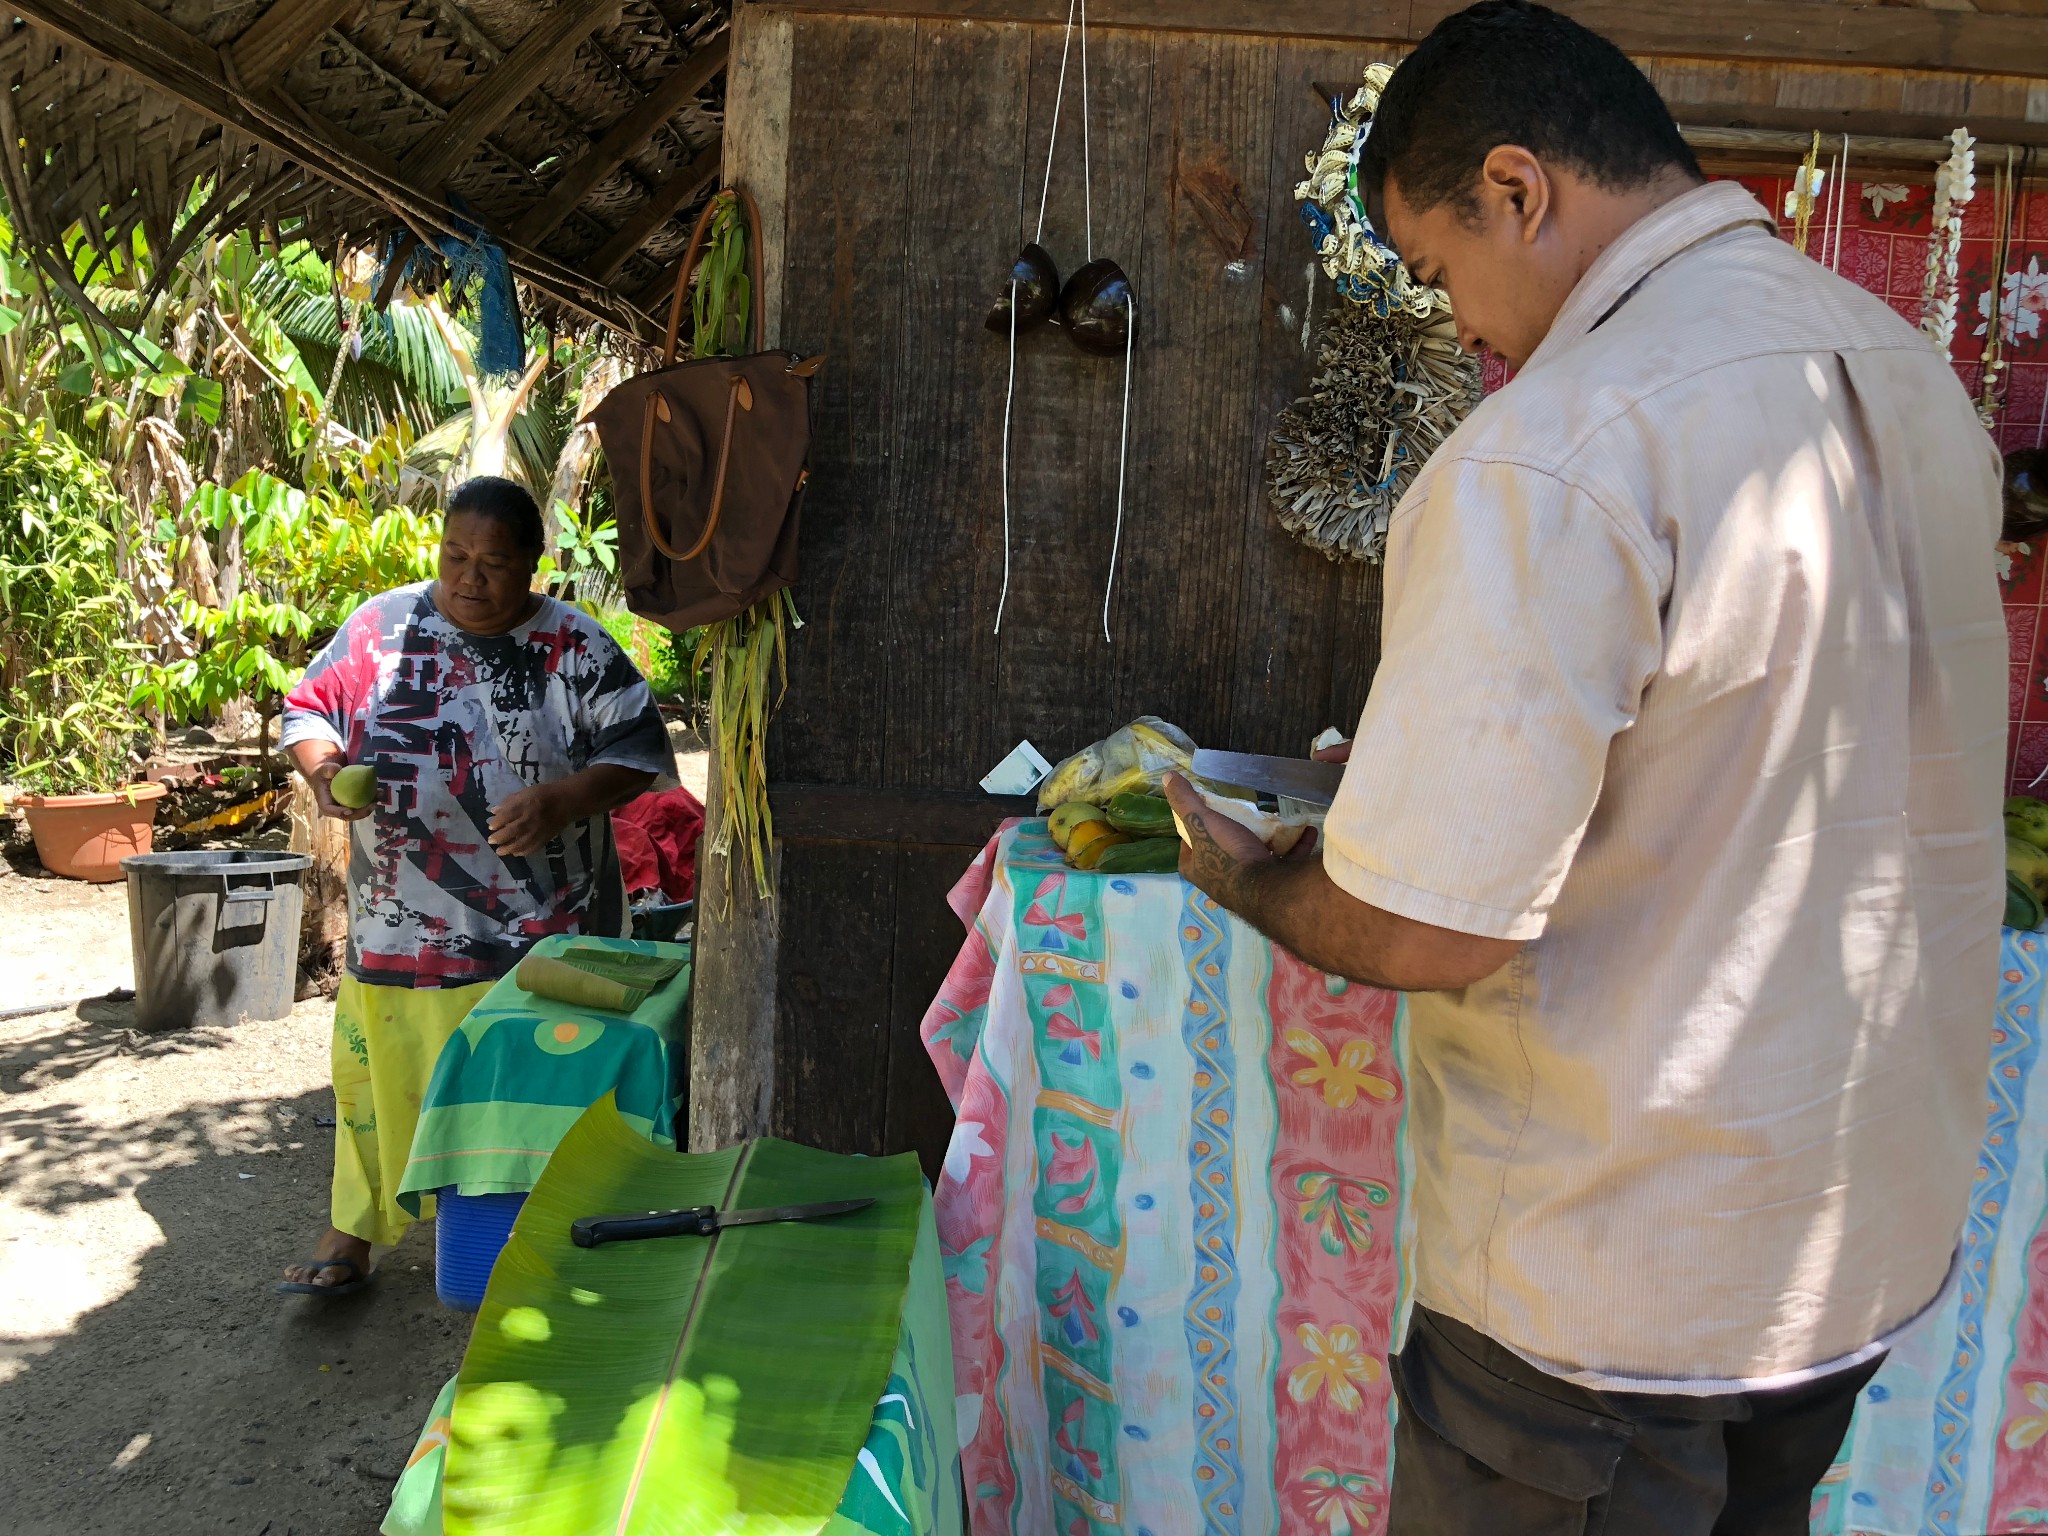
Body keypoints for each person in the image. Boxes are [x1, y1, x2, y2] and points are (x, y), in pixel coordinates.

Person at [1162, 3, 2004, 1530]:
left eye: (1441, 271)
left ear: (1519, 188)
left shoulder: (1555, 445)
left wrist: (1262, 883)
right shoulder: (1909, 380)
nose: (1462, 325)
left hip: (1611, 1305)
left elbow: (1432, 926)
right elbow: (1740, 756)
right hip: (1847, 1253)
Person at [275, 476, 668, 1297]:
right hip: (401, 929)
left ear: (534, 564)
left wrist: (563, 799)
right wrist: (323, 775)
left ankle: (544, 1231)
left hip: (546, 937)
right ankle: (355, 1227)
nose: (469, 578)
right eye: (455, 555)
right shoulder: (381, 627)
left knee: (535, 1083)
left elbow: (636, 752)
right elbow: (309, 710)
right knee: (381, 1080)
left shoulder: (576, 646)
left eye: (494, 563)